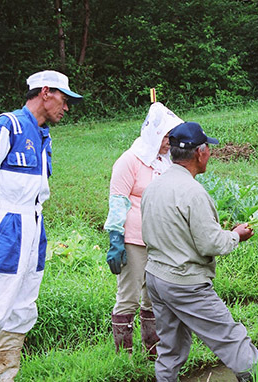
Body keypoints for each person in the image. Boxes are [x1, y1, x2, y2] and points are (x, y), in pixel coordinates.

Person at [0, 70, 83, 381]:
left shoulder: (42, 134)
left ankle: (5, 376)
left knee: (23, 306)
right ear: (45, 92)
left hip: (34, 222)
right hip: (6, 223)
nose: (65, 108)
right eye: (63, 100)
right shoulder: (8, 126)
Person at [141, 122, 258, 382]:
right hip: (185, 282)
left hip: (155, 277)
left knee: (171, 348)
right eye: (208, 148)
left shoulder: (154, 186)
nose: (210, 153)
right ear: (200, 153)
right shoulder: (193, 192)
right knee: (231, 339)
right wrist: (236, 235)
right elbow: (211, 244)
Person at [103, 102, 183, 358]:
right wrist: (116, 238)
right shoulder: (130, 160)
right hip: (134, 240)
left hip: (160, 241)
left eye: (172, 137)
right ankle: (124, 357)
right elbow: (118, 200)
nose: (169, 142)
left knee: (153, 297)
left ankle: (153, 353)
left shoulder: (166, 163)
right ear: (154, 133)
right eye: (166, 136)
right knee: (129, 296)